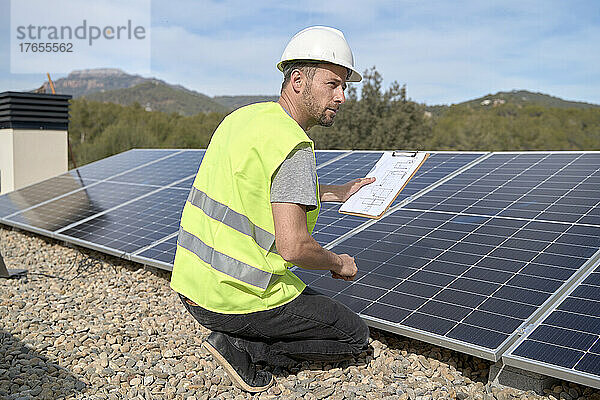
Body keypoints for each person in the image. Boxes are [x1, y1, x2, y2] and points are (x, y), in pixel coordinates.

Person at [170, 26, 375, 393]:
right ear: (298, 80)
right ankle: (242, 348)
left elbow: (258, 189)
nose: (342, 97)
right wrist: (337, 262)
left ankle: (236, 337)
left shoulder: (244, 119)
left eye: (345, 87)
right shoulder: (293, 145)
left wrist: (334, 192)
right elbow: (294, 248)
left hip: (192, 285)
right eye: (333, 84)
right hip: (237, 297)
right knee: (353, 336)